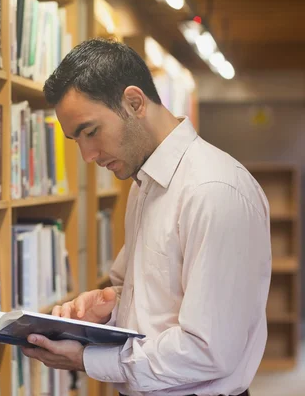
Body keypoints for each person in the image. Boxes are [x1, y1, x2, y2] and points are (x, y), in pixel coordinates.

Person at [20, 38, 271, 396]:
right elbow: (154, 294)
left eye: (91, 132)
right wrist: (108, 306)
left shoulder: (214, 191)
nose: (88, 155)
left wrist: (88, 360)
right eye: (76, 140)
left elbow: (209, 351)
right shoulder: (144, 183)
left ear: (134, 102)